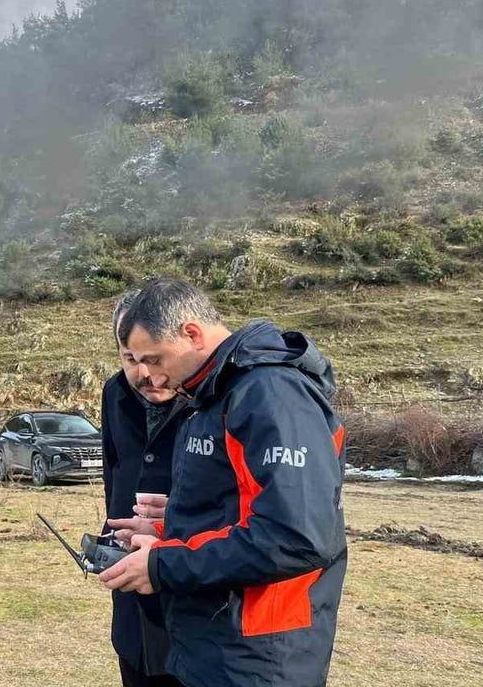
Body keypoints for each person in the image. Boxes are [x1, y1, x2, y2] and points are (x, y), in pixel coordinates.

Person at [100, 278, 347, 687]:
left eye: (155, 359)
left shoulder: (270, 394)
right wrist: (167, 529)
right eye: (135, 362)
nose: (152, 379)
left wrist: (164, 563)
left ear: (192, 333)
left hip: (260, 653)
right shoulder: (212, 395)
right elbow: (235, 510)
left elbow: (296, 536)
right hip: (213, 644)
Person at [102, 290, 189, 687]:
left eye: (151, 358)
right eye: (129, 359)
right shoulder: (114, 394)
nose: (143, 373)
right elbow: (115, 475)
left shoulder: (214, 401)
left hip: (193, 599)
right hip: (131, 609)